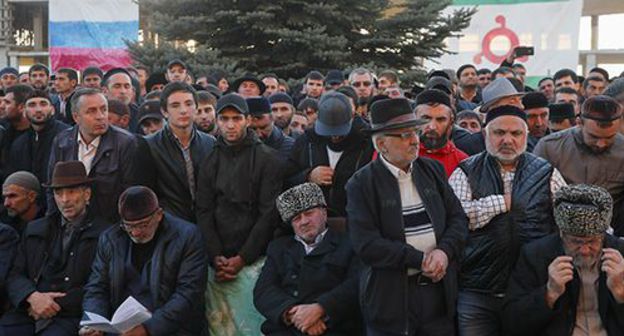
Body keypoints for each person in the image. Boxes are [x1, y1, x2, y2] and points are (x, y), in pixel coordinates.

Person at [347, 97, 468, 335]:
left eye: (415, 131)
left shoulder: (431, 170)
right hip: (391, 298)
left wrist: (444, 252)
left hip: (438, 292)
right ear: (381, 144)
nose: (415, 140)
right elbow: (367, 244)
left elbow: (458, 219)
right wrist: (420, 260)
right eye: (404, 135)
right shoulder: (361, 183)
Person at [449, 105, 566, 336]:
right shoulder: (465, 171)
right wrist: (503, 202)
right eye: (499, 133)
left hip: (530, 289)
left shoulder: (546, 173)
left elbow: (565, 219)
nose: (507, 140)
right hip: (477, 290)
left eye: (515, 134)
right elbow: (457, 220)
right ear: (485, 135)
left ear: (526, 136)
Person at [196, 93, 283, 335]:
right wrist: (216, 256)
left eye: (236, 118)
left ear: (247, 120)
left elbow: (268, 214)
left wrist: (243, 258)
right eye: (224, 118)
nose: (230, 125)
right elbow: (204, 210)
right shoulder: (209, 158)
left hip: (255, 261)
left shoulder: (268, 159)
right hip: (218, 263)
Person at [80, 186, 208, 336]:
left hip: (171, 327)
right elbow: (97, 287)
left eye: (143, 225)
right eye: (129, 226)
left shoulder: (187, 237)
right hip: (123, 328)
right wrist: (95, 322)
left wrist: (148, 329)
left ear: (159, 215)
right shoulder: (110, 239)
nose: (135, 232)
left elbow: (188, 294)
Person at [0, 161, 110, 336]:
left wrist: (49, 304)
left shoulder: (105, 234)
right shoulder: (35, 229)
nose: (65, 200)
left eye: (72, 192)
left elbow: (100, 286)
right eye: (59, 193)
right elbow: (14, 274)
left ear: (87, 194)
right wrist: (32, 297)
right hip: (29, 310)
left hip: (70, 316)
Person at [504, 184, 624, 336]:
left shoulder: (620, 254)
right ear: (562, 234)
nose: (585, 250)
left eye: (592, 242)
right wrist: (549, 293)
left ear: (604, 235)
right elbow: (511, 324)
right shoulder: (536, 254)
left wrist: (620, 292)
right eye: (576, 242)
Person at [254, 183, 362, 335]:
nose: (304, 221)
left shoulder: (350, 244)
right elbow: (263, 290)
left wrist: (321, 309)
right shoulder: (278, 248)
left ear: (324, 212)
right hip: (287, 329)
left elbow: (357, 284)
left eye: (309, 213)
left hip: (334, 327)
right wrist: (292, 313)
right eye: (297, 218)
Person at [534, 95, 624, 235]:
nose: (601, 144)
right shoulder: (550, 148)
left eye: (609, 138)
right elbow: (535, 199)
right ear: (579, 122)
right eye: (594, 136)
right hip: (558, 234)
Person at [48, 88, 138, 222]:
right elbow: (52, 187)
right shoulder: (62, 141)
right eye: (91, 111)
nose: (100, 116)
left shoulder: (125, 143)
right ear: (76, 117)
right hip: (71, 224)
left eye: (104, 109)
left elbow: (130, 191)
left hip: (110, 224)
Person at [285, 92, 374, 218]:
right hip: (315, 224)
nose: (335, 136)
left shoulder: (367, 143)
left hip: (355, 221)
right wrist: (308, 176)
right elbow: (287, 180)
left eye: (340, 131)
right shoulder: (306, 141)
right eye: (329, 131)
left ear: (352, 117)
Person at [144, 82, 216, 223]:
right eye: (175, 106)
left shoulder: (210, 143)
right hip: (168, 225)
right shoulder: (148, 145)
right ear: (165, 111)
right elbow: (148, 193)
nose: (183, 110)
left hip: (207, 223)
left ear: (195, 107)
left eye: (189, 104)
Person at [7, 89, 69, 190]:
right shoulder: (19, 144)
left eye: (43, 104)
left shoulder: (66, 136)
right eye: (32, 105)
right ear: (24, 111)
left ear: (52, 110)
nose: (38, 109)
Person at [414, 89, 468, 177]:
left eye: (440, 120)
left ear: (451, 123)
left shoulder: (462, 162)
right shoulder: (399, 156)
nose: (432, 126)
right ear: (414, 119)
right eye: (425, 119)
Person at [247, 96, 294, 162]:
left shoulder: (290, 147)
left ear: (272, 120)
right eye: (253, 129)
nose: (259, 134)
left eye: (263, 128)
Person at [0, 172, 44, 236]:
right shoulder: (5, 224)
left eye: (12, 196)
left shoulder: (49, 226)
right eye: (5, 197)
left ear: (31, 196)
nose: (6, 203)